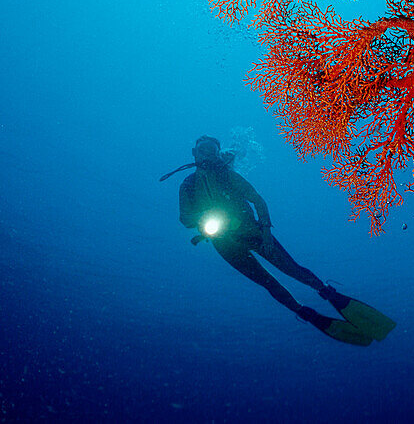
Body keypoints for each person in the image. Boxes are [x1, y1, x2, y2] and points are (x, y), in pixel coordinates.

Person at [160, 135, 396, 346]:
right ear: (195, 153)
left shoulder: (229, 175)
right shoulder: (188, 184)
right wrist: (202, 218)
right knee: (267, 283)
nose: (208, 153)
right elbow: (184, 218)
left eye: (212, 148)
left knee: (291, 269)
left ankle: (327, 292)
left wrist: (266, 233)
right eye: (203, 149)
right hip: (224, 242)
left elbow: (258, 200)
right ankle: (304, 312)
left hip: (254, 232)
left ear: (217, 152)